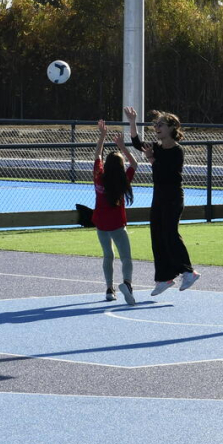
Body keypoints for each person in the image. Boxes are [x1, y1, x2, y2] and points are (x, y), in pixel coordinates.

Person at [125, 105, 199, 295]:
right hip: (158, 197)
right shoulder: (156, 147)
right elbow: (136, 143)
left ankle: (189, 272)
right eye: (156, 124)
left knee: (170, 233)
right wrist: (132, 122)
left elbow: (164, 172)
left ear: (172, 128)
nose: (157, 127)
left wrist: (150, 159)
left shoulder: (177, 151)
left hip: (173, 197)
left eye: (161, 124)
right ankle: (164, 278)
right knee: (157, 235)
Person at [92, 119, 137, 305]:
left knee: (107, 255)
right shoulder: (123, 180)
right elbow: (134, 164)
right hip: (118, 224)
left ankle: (109, 288)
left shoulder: (99, 177)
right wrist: (123, 147)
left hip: (101, 224)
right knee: (125, 257)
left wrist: (102, 136)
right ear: (120, 167)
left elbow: (97, 157)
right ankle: (127, 283)